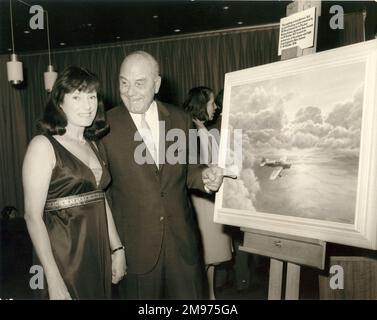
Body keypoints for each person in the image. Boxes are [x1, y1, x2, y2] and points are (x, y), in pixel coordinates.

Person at [101, 51, 230, 299]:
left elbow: (190, 170)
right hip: (135, 248)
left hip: (182, 243)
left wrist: (206, 178)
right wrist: (115, 248)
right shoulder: (104, 126)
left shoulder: (180, 119)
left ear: (157, 84)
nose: (130, 92)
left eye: (139, 83)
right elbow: (102, 195)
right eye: (123, 82)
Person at [22, 66, 126, 300]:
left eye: (92, 97)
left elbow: (100, 199)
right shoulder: (43, 145)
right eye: (77, 97)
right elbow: (32, 216)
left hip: (96, 249)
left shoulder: (94, 144)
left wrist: (117, 248)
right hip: (63, 254)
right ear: (59, 102)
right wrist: (53, 277)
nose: (87, 105)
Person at [183, 86, 233, 299]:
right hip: (201, 202)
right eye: (213, 103)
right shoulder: (194, 131)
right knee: (204, 254)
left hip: (207, 199)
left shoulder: (200, 129)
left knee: (209, 257)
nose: (216, 107)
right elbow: (203, 167)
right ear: (202, 105)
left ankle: (209, 297)